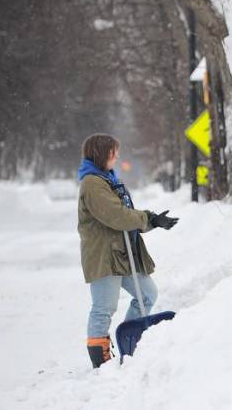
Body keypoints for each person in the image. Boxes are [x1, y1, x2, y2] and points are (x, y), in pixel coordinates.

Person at [77, 134, 178, 368]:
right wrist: (147, 218)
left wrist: (152, 220)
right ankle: (100, 357)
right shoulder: (93, 183)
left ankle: (132, 337)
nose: (117, 156)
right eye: (113, 152)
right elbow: (117, 216)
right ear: (101, 154)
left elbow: (124, 214)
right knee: (104, 308)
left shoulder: (107, 180)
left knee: (147, 295)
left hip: (122, 255)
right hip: (104, 256)